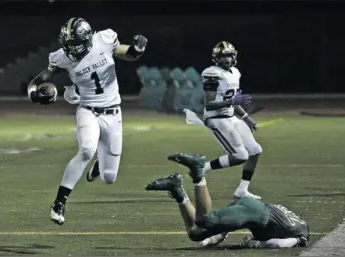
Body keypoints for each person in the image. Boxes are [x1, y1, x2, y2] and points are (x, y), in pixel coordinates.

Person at [27, 17, 148, 225]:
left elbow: (129, 54)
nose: (71, 50)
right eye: (68, 45)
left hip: (113, 113)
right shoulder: (61, 57)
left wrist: (138, 48)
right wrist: (34, 94)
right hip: (87, 110)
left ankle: (99, 164)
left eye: (75, 45)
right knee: (86, 150)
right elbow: (38, 81)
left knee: (109, 177)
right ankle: (59, 202)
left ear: (87, 39)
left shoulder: (104, 40)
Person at [145, 153, 309, 248]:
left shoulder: (296, 223)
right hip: (256, 213)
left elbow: (243, 218)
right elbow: (279, 244)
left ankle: (177, 190)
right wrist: (256, 244)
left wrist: (218, 235)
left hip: (253, 210)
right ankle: (198, 171)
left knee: (197, 234)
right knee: (205, 220)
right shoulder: (302, 235)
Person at [184, 41, 262, 199]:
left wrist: (245, 117)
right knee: (240, 156)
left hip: (231, 117)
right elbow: (209, 104)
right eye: (224, 56)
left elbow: (233, 99)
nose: (228, 59)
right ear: (217, 58)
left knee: (255, 150)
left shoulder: (235, 73)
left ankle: (242, 190)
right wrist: (232, 102)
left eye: (230, 55)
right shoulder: (212, 73)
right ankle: (202, 168)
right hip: (216, 119)